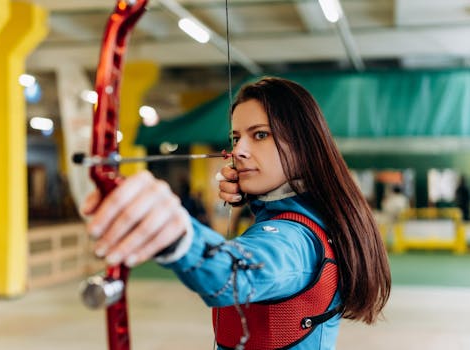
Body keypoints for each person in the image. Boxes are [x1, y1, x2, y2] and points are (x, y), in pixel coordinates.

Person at [81, 77, 391, 349]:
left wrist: (176, 232)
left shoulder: (294, 239)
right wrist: (256, 199)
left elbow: (236, 272)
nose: (239, 151)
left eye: (260, 135)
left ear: (303, 146)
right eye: (235, 138)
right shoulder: (313, 216)